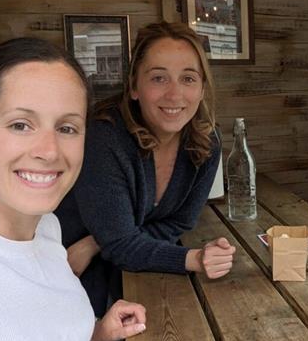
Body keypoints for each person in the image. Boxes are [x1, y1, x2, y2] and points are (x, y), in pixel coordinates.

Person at [0, 37, 146, 341]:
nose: (49, 151)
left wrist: (94, 332)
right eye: (21, 125)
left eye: (67, 128)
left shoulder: (47, 228)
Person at [55, 21, 235, 317]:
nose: (175, 94)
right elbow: (123, 245)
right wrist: (195, 259)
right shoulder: (106, 136)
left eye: (188, 78)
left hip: (127, 268)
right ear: (134, 87)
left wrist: (98, 243)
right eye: (159, 78)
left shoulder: (207, 143)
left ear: (202, 88)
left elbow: (178, 224)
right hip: (69, 273)